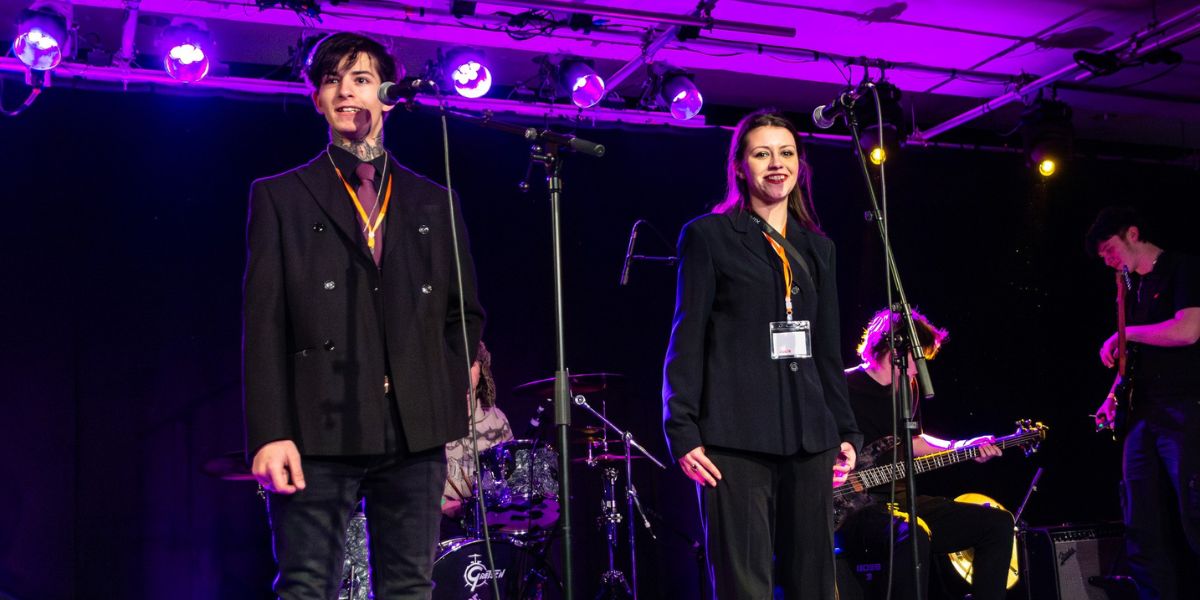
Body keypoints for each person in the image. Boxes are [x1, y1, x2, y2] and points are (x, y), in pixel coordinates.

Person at [242, 32, 485, 598]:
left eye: (360, 79)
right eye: (331, 80)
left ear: (389, 95)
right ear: (316, 100)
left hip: (413, 428)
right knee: (306, 585)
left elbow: (465, 312)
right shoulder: (282, 195)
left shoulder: (433, 199)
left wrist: (441, 387)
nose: (345, 92)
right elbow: (264, 323)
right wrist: (270, 433)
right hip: (315, 426)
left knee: (409, 587)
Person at [662, 108, 862, 599]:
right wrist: (682, 429)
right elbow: (686, 339)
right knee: (743, 585)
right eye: (762, 153)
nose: (777, 164)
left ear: (800, 164)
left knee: (813, 584)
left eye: (787, 153)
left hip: (809, 437)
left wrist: (845, 429)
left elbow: (827, 350)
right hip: (733, 440)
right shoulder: (708, 236)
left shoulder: (820, 248)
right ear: (740, 166)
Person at [838, 308, 1013, 600]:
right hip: (855, 509)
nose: (919, 368)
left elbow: (911, 440)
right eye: (915, 358)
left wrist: (961, 447)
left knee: (998, 523)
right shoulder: (842, 386)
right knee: (913, 534)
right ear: (892, 346)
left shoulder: (908, 387)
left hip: (904, 501)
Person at [1087, 207, 1200, 600]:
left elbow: (1188, 330)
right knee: (1141, 521)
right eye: (1102, 257)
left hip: (1184, 408)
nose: (1108, 260)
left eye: (1110, 249)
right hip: (1141, 415)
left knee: (1194, 509)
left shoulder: (1183, 269)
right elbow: (1133, 359)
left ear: (1132, 233)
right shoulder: (1130, 289)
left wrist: (1127, 333)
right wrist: (1112, 395)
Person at [441, 341, 513, 520]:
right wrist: (442, 504)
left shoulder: (497, 420)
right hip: (440, 521)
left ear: (481, 370)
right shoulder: (429, 419)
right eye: (458, 365)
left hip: (488, 521)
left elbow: (510, 477)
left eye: (472, 365)